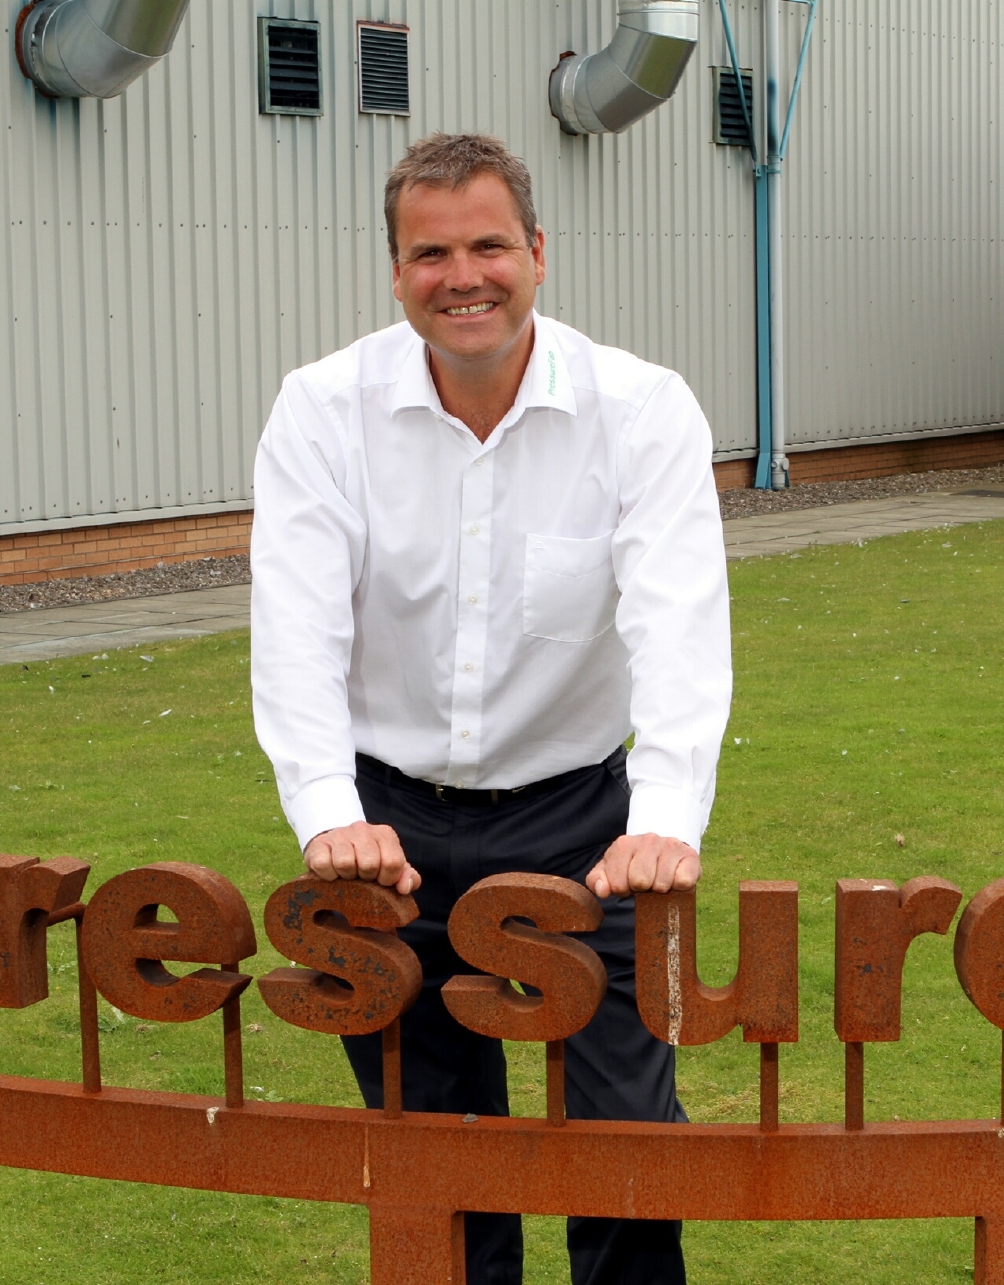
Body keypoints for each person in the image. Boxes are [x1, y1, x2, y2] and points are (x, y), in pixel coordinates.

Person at [249, 133, 731, 1285]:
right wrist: (325, 811)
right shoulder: (322, 410)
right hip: (386, 827)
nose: (462, 275)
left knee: (623, 1147)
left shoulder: (642, 409)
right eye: (431, 252)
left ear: (538, 252)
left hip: (583, 826)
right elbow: (297, 628)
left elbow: (678, 625)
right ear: (396, 268)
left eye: (487, 245)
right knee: (433, 1153)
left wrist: (663, 817)